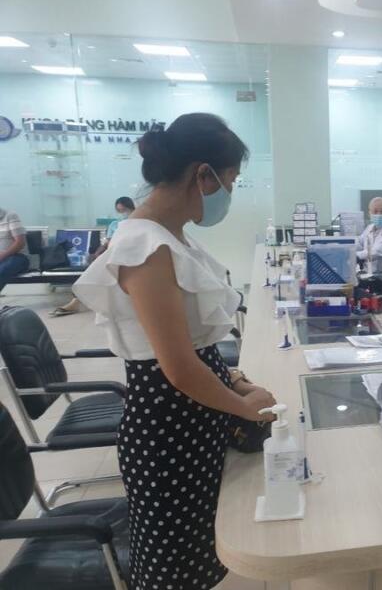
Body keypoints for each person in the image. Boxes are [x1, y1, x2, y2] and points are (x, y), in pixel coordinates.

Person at [73, 113, 276, 590]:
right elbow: (178, 368)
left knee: (201, 552)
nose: (229, 193)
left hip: (195, 414)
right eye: (230, 181)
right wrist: (244, 407)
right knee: (174, 567)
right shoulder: (144, 247)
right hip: (169, 427)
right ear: (202, 175)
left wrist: (234, 381)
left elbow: (195, 346)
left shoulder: (171, 236)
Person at [51, 196, 136, 317]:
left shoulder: (137, 222)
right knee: (95, 267)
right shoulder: (114, 224)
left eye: (124, 210)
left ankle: (77, 301)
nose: (123, 214)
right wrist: (97, 253)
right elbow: (108, 243)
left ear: (131, 208)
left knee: (101, 269)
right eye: (119, 211)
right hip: (113, 253)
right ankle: (77, 300)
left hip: (129, 254)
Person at [0, 207, 29, 294]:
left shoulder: (10, 216)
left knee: (2, 270)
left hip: (17, 257)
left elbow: (20, 243)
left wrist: (2, 255)